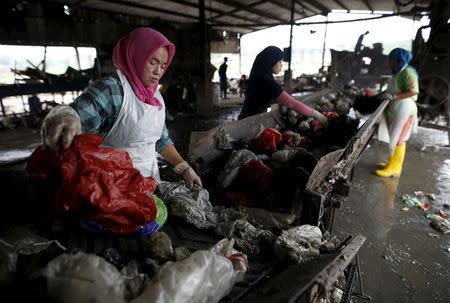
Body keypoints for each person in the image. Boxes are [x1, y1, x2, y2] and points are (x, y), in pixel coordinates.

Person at [40, 27, 202, 189]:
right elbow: (77, 117)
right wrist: (66, 115)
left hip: (149, 184)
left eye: (163, 65)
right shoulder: (111, 89)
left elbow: (161, 140)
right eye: (152, 62)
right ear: (135, 56)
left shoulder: (156, 98)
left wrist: (184, 167)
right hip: (111, 189)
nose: (158, 71)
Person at [237, 46, 328, 125]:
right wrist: (316, 114)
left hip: (244, 120)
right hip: (247, 124)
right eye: (280, 62)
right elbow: (291, 103)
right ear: (271, 61)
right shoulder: (268, 82)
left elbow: (262, 99)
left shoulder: (259, 77)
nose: (281, 65)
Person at [375, 48, 419, 178]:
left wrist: (393, 97)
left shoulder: (407, 72)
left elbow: (413, 91)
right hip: (397, 109)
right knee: (394, 137)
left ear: (398, 60)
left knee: (399, 139)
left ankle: (395, 168)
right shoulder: (398, 73)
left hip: (405, 109)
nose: (389, 62)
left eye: (391, 60)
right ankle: (391, 163)